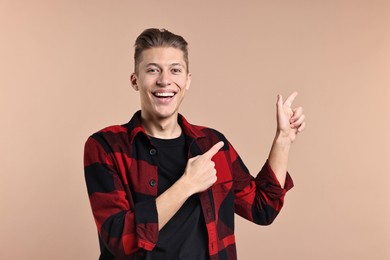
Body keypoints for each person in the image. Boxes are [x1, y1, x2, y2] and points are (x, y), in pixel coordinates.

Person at [84, 28, 306, 260]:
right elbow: (121, 239)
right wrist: (187, 184)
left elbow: (263, 209)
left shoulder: (213, 144)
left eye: (175, 70)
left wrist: (283, 139)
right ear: (135, 80)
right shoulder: (106, 147)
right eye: (152, 70)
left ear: (187, 80)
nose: (164, 80)